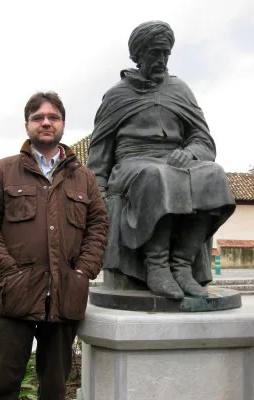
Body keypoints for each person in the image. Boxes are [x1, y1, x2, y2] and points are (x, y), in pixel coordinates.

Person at [0, 91, 108, 400]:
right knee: (0, 388)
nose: (45, 122)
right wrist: (7, 274)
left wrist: (82, 272)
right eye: (38, 118)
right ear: (27, 125)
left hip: (65, 297)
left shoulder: (84, 179)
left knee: (55, 390)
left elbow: (99, 227)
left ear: (62, 124)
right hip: (13, 299)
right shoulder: (3, 171)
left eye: (53, 117)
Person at [87, 21, 235, 300]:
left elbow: (203, 140)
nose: (162, 60)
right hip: (132, 166)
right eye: (155, 53)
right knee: (156, 175)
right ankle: (157, 265)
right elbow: (99, 151)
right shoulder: (117, 95)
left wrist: (190, 152)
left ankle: (181, 264)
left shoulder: (180, 90)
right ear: (138, 54)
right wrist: (98, 192)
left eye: (166, 54)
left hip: (178, 163)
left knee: (214, 174)